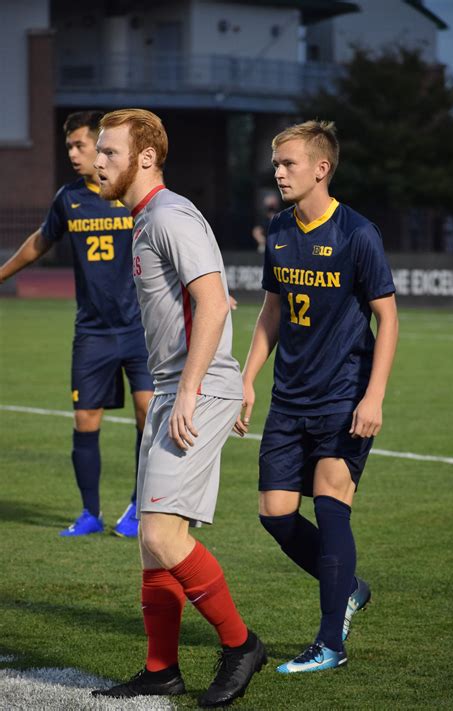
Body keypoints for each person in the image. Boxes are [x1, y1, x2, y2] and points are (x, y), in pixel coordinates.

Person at [91, 109, 266, 706]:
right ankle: (162, 668)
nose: (97, 162)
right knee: (152, 541)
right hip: (173, 390)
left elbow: (215, 304)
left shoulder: (170, 213)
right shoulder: (144, 221)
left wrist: (191, 390)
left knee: (164, 535)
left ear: (145, 157)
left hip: (194, 391)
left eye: (110, 152)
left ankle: (242, 644)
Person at [234, 120, 398, 674]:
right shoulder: (279, 230)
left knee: (331, 506)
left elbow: (388, 318)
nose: (279, 172)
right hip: (289, 398)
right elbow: (272, 310)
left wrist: (372, 396)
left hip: (344, 396)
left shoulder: (357, 233)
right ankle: (349, 586)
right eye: (276, 164)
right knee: (275, 515)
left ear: (321, 168)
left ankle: (331, 642)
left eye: (289, 163)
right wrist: (248, 378)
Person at [0, 111, 154, 538]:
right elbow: (39, 241)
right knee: (85, 419)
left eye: (81, 145)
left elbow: (171, 241)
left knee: (148, 414)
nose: (73, 153)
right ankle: (90, 513)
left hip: (141, 330)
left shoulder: (132, 195)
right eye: (69, 146)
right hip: (92, 333)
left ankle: (140, 507)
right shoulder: (68, 199)